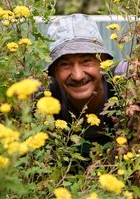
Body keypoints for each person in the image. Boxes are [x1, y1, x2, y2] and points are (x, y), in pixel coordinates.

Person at [45, 14, 127, 148]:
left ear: (103, 60)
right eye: (65, 64)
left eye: (86, 61)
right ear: (53, 71)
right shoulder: (42, 96)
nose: (77, 76)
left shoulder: (125, 81)